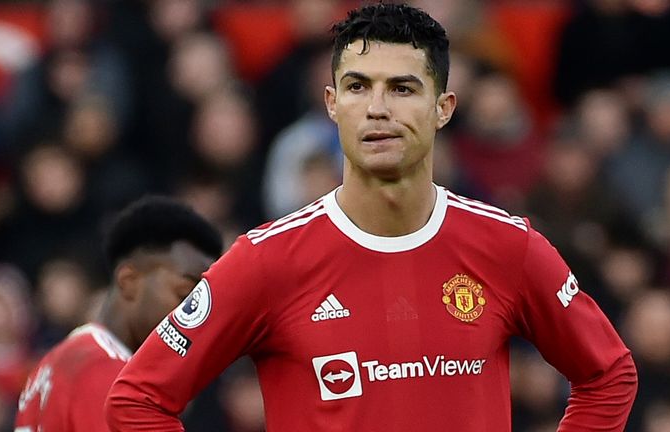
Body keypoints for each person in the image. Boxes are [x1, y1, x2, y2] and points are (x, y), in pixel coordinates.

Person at [106, 4, 637, 431]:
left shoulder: (507, 246)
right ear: (333, 104)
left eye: (402, 89)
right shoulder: (266, 262)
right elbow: (138, 400)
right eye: (359, 87)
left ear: (444, 107)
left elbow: (608, 374)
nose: (377, 108)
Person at [14, 196, 223, 431]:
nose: (196, 316)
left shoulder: (57, 362)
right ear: (129, 280)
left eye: (203, 304)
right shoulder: (109, 376)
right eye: (186, 296)